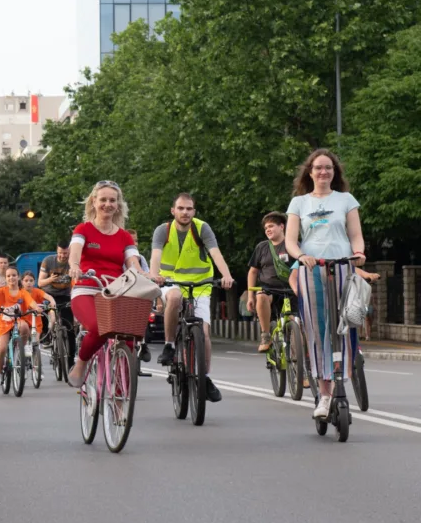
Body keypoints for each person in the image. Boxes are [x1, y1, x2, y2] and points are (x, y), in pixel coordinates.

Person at [284, 148, 366, 420]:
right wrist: (301, 256)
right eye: (318, 167)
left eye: (328, 168)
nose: (323, 172)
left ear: (334, 172)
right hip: (312, 269)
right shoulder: (299, 203)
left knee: (344, 324)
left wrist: (358, 254)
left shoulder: (346, 200)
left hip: (342, 266)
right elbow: (291, 241)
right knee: (318, 329)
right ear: (310, 172)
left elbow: (355, 235)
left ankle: (343, 377)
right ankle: (324, 394)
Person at [149, 192, 235, 403]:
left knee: (204, 333)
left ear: (194, 211)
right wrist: (154, 275)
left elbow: (215, 253)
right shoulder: (163, 230)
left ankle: (204, 377)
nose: (185, 212)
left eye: (189, 209)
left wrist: (226, 275)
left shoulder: (202, 228)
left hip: (200, 285)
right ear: (173, 211)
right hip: (169, 282)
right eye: (181, 208)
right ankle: (169, 345)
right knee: (175, 298)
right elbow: (155, 256)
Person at [66, 181, 145, 390]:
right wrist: (74, 266)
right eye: (103, 200)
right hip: (87, 288)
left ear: (118, 205)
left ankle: (121, 400)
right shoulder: (84, 229)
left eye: (112, 200)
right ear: (94, 202)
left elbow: (133, 264)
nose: (107, 204)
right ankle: (81, 364)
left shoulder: (124, 236)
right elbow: (74, 252)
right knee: (98, 327)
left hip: (115, 293)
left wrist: (146, 276)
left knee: (127, 341)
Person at [246, 212, 292, 352]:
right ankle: (265, 335)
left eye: (271, 226)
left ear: (282, 226)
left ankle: (300, 361)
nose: (268, 230)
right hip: (269, 289)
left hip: (291, 289)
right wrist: (250, 296)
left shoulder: (292, 245)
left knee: (296, 324)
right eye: (266, 228)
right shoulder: (262, 247)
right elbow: (253, 272)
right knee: (261, 294)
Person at [0, 266, 38, 386]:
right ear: (5, 278)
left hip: (16, 320)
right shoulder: (0, 291)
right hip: (2, 323)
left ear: (18, 277)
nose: (11, 278)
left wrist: (37, 308)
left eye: (14, 275)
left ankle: (23, 347)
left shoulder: (22, 292)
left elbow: (31, 301)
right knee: (3, 348)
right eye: (8, 276)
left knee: (24, 327)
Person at [39, 240, 77, 369]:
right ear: (57, 251)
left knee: (70, 327)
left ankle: (71, 360)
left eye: (65, 253)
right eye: (60, 253)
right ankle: (48, 336)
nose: (63, 256)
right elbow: (40, 283)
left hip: (65, 295)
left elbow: (77, 281)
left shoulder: (72, 263)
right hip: (49, 295)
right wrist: (51, 279)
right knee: (48, 313)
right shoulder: (48, 261)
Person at [21, 270, 50, 338]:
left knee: (35, 342)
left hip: (36, 321)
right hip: (23, 320)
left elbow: (47, 297)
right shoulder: (20, 292)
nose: (29, 283)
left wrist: (51, 302)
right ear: (22, 282)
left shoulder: (37, 291)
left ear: (34, 282)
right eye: (26, 281)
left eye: (31, 281)